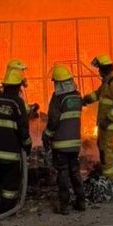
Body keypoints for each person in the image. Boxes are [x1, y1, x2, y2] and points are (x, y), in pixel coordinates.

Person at [0, 59, 33, 214]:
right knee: (10, 184)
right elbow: (23, 130)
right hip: (10, 155)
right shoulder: (18, 103)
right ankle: (6, 210)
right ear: (18, 86)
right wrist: (27, 145)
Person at [42, 65, 86, 214]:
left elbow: (53, 120)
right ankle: (81, 202)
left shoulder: (58, 98)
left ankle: (64, 206)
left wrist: (47, 135)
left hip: (61, 144)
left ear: (58, 83)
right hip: (75, 144)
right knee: (75, 172)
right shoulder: (77, 97)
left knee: (63, 173)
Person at [82, 54, 113, 183]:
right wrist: (86, 100)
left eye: (100, 69)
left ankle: (111, 180)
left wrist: (108, 120)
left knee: (104, 151)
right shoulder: (106, 82)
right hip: (105, 122)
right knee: (106, 145)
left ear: (105, 69)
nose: (99, 71)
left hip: (110, 123)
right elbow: (98, 94)